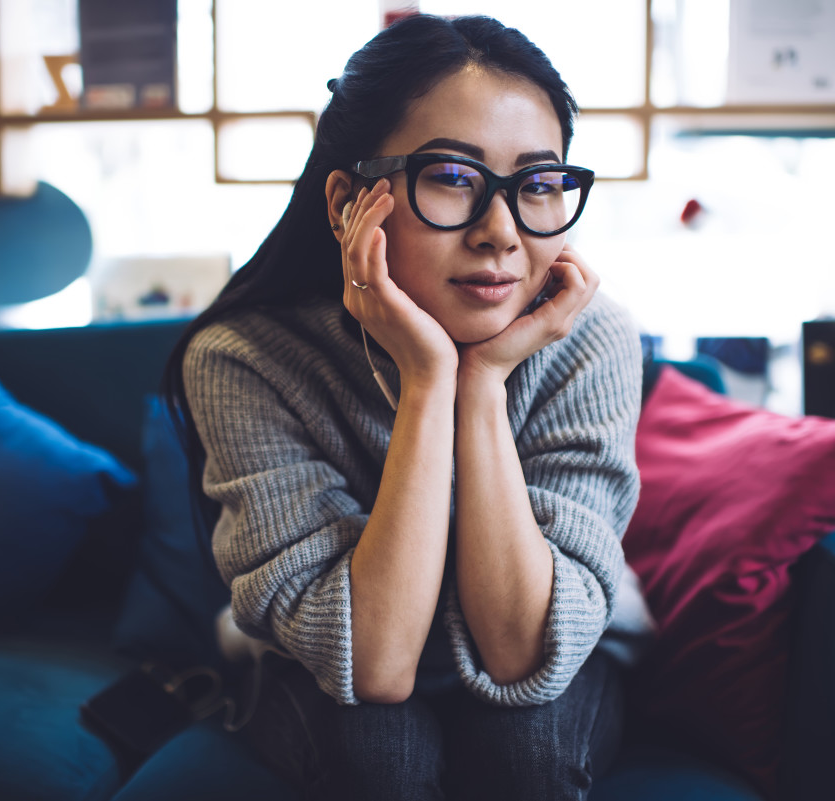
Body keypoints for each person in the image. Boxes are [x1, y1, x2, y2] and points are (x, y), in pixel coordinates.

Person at [163, 14, 653, 800]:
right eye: (453, 178)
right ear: (347, 204)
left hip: (546, 647)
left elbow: (523, 653)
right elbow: (377, 661)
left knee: (527, 742)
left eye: (536, 184)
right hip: (334, 663)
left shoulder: (589, 340)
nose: (501, 233)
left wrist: (486, 382)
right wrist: (430, 379)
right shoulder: (243, 360)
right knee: (379, 748)